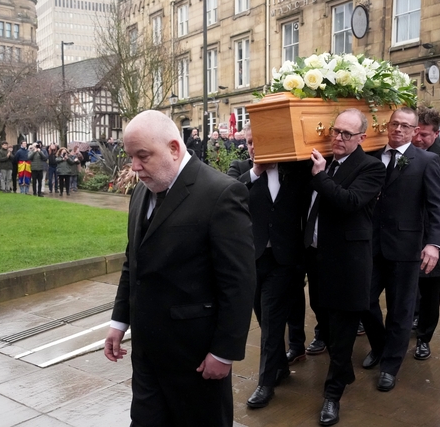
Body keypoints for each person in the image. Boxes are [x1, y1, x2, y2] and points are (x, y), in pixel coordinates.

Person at [104, 110, 256, 427]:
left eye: (142, 156)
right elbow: (134, 262)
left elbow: (238, 283)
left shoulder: (221, 193)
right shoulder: (141, 192)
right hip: (147, 354)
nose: (134, 167)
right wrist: (119, 321)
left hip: (196, 357)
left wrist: (224, 352)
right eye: (131, 156)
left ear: (174, 148)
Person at [301, 109, 385, 425]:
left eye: (346, 134)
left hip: (350, 264)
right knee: (325, 320)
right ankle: (346, 369)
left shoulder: (372, 168)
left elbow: (349, 201)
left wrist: (320, 176)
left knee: (342, 333)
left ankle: (332, 396)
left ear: (362, 137)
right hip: (318, 259)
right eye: (335, 131)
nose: (338, 138)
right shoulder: (325, 161)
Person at [361, 107, 440, 392]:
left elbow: (438, 205)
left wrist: (434, 245)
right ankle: (380, 345)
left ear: (414, 131)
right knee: (363, 302)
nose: (398, 130)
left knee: (400, 311)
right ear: (387, 127)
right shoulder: (372, 157)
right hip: (371, 247)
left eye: (405, 126)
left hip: (406, 249)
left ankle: (390, 366)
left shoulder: (427, 161)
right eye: (395, 124)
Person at [227, 124, 310, 410]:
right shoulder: (239, 170)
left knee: (272, 322)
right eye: (249, 142)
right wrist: (257, 171)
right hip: (252, 260)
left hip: (285, 261)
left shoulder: (293, 169)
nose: (252, 147)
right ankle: (281, 369)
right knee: (264, 319)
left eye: (258, 142)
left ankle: (265, 383)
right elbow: (230, 194)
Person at [411, 107, 440, 361]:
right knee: (409, 286)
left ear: (436, 134)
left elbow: (437, 184)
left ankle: (424, 338)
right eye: (416, 132)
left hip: (434, 231)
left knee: (430, 289)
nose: (418, 139)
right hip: (409, 229)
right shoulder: (407, 151)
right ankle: (411, 321)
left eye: (425, 135)